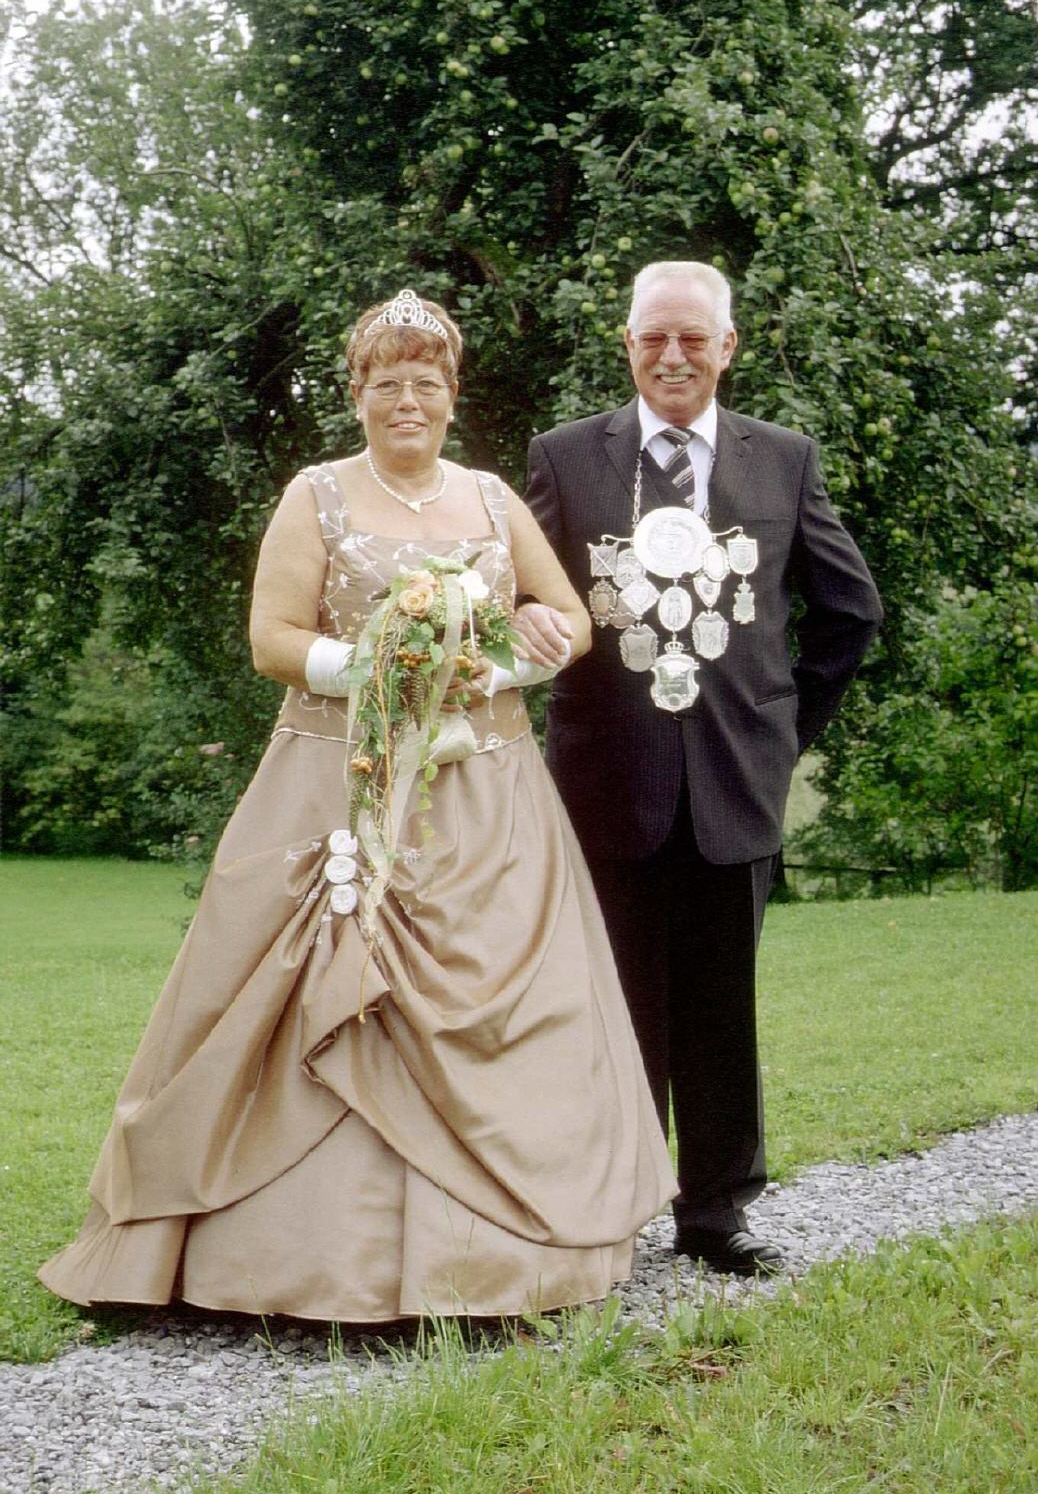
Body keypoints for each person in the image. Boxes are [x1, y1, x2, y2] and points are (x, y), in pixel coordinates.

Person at [39, 290, 676, 1323]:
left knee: (510, 1004)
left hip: (486, 793)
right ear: (358, 395)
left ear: (452, 395)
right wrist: (386, 671)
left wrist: (521, 650)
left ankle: (497, 1259)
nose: (406, 401)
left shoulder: (493, 500)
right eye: (387, 384)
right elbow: (272, 639)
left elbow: (568, 617)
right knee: (317, 987)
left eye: (425, 383)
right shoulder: (317, 496)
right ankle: (290, 1258)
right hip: (340, 783)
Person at [517, 261, 882, 1275]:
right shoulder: (565, 458)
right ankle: (609, 1212)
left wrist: (780, 732)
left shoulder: (785, 462)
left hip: (736, 782)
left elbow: (851, 612)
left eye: (692, 338)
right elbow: (523, 600)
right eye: (653, 337)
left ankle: (717, 1214)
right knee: (613, 1005)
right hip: (605, 785)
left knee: (722, 1007)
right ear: (626, 344)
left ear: (728, 346)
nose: (671, 356)